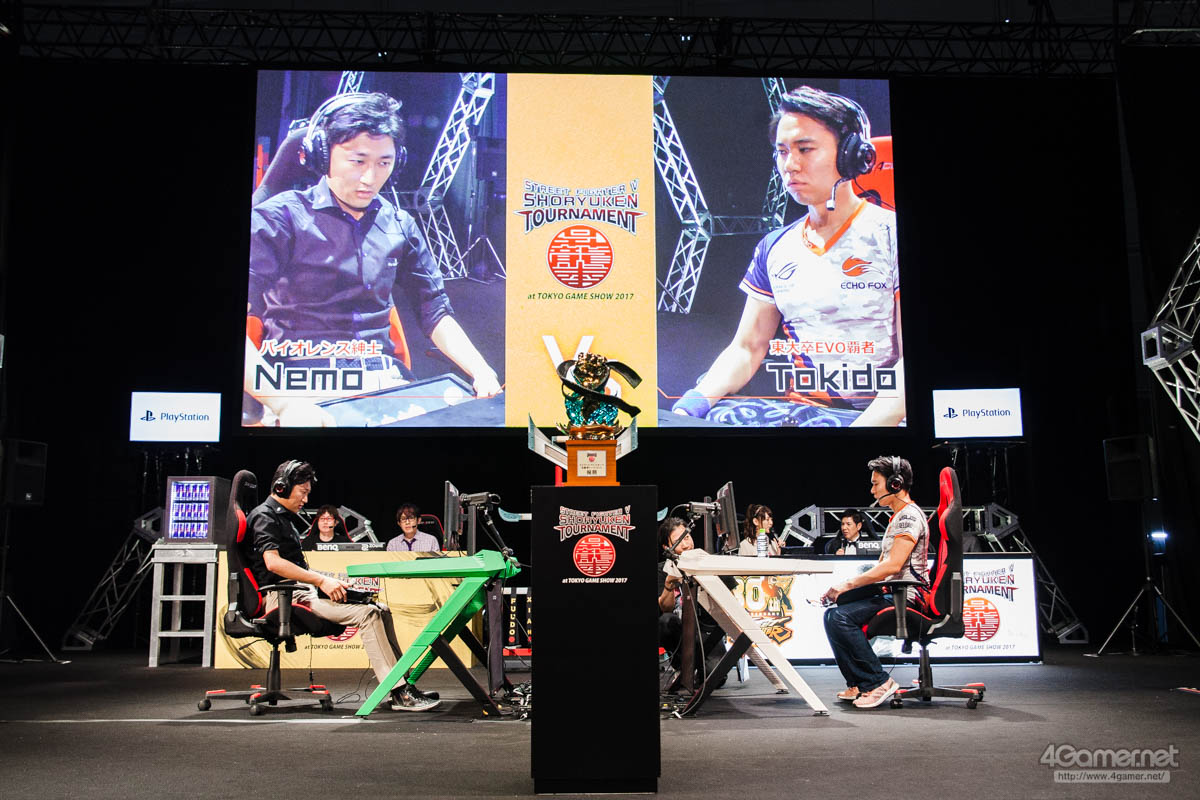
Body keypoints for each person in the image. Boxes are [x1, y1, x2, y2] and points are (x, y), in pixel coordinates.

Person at [246, 91, 501, 426]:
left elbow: (434, 310)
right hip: (298, 382)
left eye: (383, 163)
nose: (370, 178)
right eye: (358, 161)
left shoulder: (399, 224)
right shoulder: (278, 219)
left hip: (382, 384)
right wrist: (283, 404)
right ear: (323, 155)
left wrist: (481, 371)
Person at [672, 85, 903, 427]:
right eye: (782, 152)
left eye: (805, 149)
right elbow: (747, 348)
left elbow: (914, 362)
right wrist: (692, 404)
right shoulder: (775, 247)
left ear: (851, 155)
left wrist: (857, 438)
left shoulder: (893, 235)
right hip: (803, 419)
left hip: (880, 419)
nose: (790, 165)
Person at [246, 459, 440, 711]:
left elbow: (297, 568)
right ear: (282, 487)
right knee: (368, 615)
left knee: (380, 609)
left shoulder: (284, 519)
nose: (305, 499)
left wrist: (330, 582)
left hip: (301, 591)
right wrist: (321, 580)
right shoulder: (264, 516)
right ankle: (399, 693)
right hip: (283, 596)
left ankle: (405, 684)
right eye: (303, 492)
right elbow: (273, 563)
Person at [820, 456, 928, 709]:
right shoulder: (897, 518)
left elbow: (892, 566)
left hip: (905, 596)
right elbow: (884, 568)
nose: (872, 490)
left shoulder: (908, 517)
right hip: (893, 593)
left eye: (876, 483)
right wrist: (846, 588)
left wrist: (847, 585)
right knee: (831, 615)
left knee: (840, 618)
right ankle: (859, 683)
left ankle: (878, 681)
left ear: (894, 484)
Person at [656, 517, 729, 691]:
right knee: (665, 621)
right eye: (678, 541)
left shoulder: (708, 562)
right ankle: (682, 667)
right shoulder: (661, 569)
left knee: (715, 678)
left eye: (687, 537)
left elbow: (730, 596)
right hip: (680, 631)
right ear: (667, 547)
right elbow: (665, 608)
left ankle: (697, 670)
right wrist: (669, 585)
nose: (686, 545)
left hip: (706, 630)